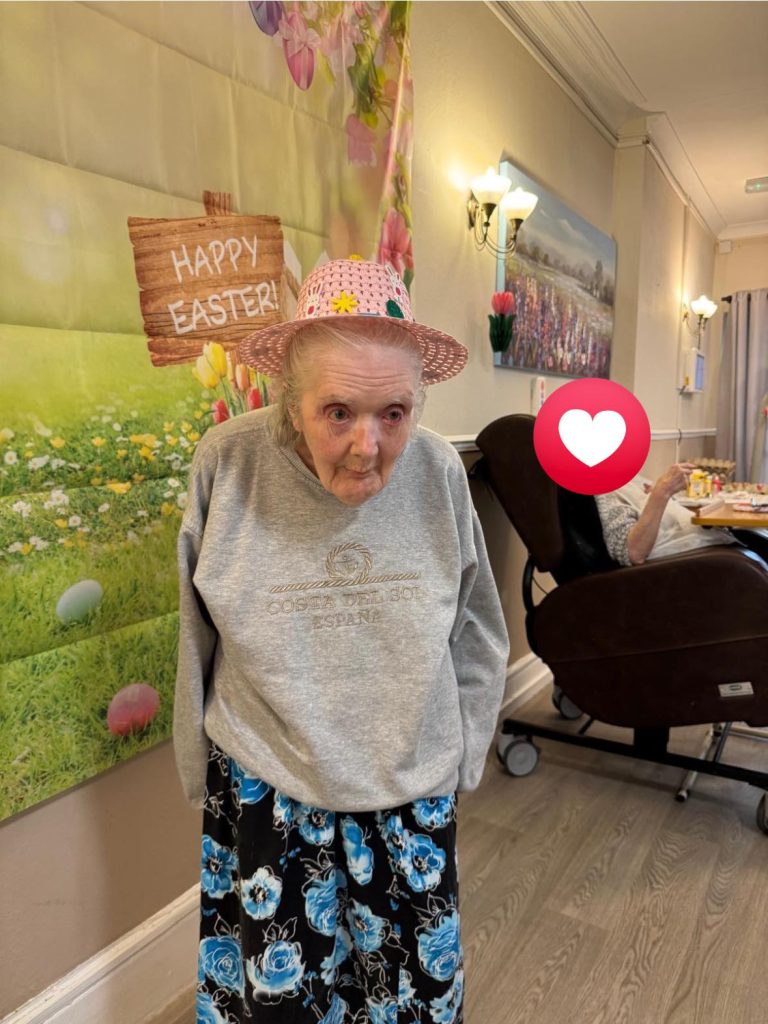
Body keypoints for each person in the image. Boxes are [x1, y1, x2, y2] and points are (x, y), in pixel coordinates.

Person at [173, 258, 510, 1024]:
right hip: (267, 787)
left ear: (418, 405)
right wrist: (196, 766)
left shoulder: (439, 474)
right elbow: (195, 634)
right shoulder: (225, 464)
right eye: (338, 413)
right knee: (281, 1005)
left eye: (393, 413)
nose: (367, 447)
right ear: (292, 404)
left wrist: (463, 756)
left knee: (416, 1003)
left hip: (409, 790)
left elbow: (480, 627)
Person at [595, 462, 768, 566]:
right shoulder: (599, 491)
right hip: (675, 562)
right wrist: (661, 493)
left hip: (701, 544)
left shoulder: (621, 477)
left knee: (754, 538)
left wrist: (654, 495)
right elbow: (634, 552)